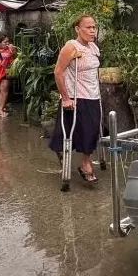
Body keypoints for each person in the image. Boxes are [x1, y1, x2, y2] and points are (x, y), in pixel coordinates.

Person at [48, 14, 102, 185]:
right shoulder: (70, 47)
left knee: (91, 131)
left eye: (94, 27)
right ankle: (80, 162)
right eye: (88, 27)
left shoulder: (93, 47)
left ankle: (84, 161)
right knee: (68, 131)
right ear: (78, 29)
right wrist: (65, 98)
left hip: (93, 95)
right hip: (75, 96)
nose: (92, 30)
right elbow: (58, 72)